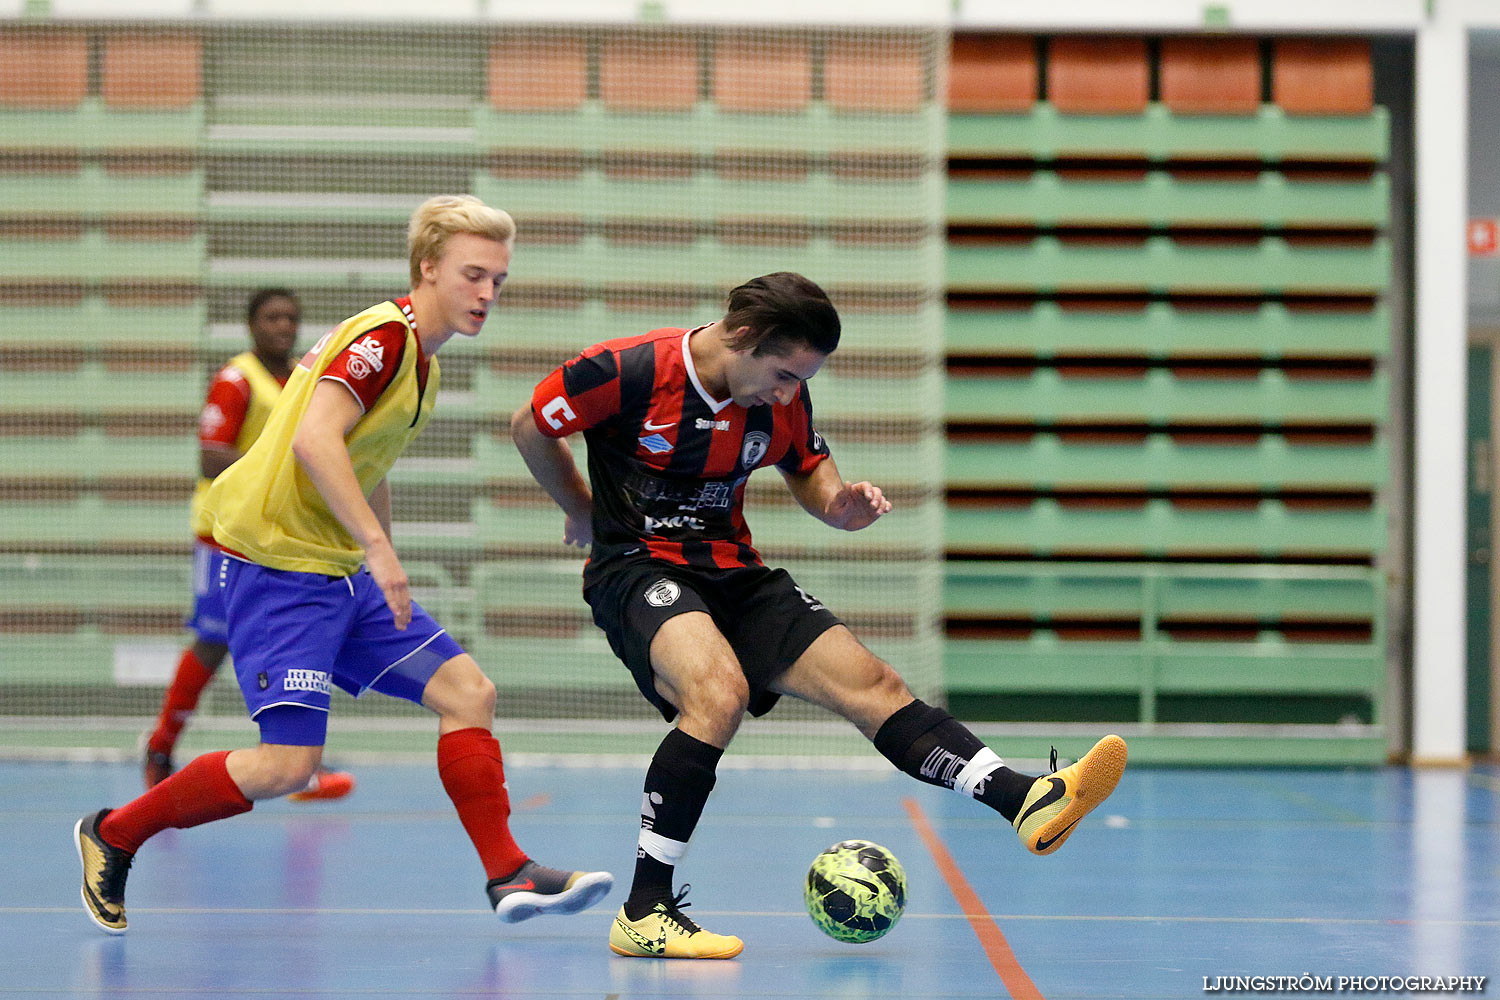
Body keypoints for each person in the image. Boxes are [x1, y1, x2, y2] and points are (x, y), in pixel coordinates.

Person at [511, 271, 1127, 960]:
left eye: (798, 380)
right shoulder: (628, 371)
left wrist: (840, 505)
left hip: (733, 572)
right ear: (741, 337)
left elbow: (806, 466)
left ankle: (1023, 799)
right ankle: (645, 909)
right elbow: (532, 424)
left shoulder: (784, 397)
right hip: (637, 567)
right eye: (781, 374)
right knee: (718, 694)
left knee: (875, 685)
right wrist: (581, 511)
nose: (787, 392)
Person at [75, 194, 613, 936]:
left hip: (338, 573)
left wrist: (378, 560)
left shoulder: (422, 365)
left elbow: (366, 460)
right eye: (473, 274)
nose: (488, 293)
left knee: (468, 694)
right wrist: (381, 551)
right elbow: (316, 441)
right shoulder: (382, 338)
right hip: (278, 569)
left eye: (499, 280)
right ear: (428, 267)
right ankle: (115, 833)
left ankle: (507, 870)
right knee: (286, 768)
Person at [142, 288, 355, 802]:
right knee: (214, 643)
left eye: (291, 318)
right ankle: (159, 747)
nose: (283, 325)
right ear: (251, 324)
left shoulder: (299, 383)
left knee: (281, 639)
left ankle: (299, 760)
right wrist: (274, 476)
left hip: (274, 538)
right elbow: (210, 457)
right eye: (272, 317)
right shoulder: (237, 380)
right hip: (223, 536)